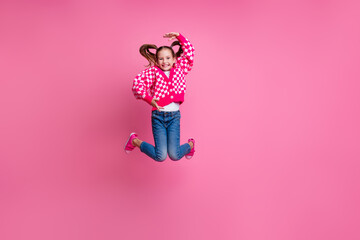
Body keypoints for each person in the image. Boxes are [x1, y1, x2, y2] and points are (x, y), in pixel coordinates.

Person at [124, 32, 195, 162]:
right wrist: (149, 99)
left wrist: (180, 37)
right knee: (160, 156)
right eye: (161, 59)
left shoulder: (180, 68)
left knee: (174, 155)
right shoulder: (153, 72)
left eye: (168, 58)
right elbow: (137, 84)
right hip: (158, 116)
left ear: (174, 59)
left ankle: (190, 145)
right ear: (157, 60)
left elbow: (190, 53)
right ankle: (135, 141)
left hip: (174, 117)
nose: (165, 61)